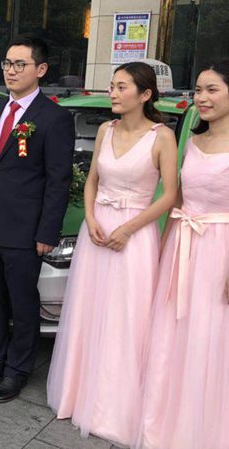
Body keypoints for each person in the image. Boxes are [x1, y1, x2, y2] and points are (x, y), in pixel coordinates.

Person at [46, 62, 177, 446]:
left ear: (145, 94)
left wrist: (128, 229)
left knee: (126, 317)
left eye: (122, 87)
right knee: (89, 310)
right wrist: (90, 218)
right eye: (112, 86)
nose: (113, 93)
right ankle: (77, 394)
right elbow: (92, 181)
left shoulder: (162, 137)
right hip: (97, 231)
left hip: (134, 236)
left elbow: (170, 195)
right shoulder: (106, 129)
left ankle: (114, 409)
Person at [0, 36, 75, 402]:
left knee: (22, 303)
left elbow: (58, 181)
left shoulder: (54, 118)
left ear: (41, 69)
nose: (11, 70)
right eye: (7, 63)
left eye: (20, 64)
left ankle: (17, 370)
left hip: (24, 229)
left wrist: (47, 232)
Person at [135, 60, 229, 449]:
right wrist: (162, 247)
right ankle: (166, 418)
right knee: (173, 332)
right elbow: (178, 199)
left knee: (210, 335)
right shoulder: (192, 141)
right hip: (182, 244)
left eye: (212, 90)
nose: (201, 98)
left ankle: (203, 425)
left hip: (220, 250)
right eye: (198, 90)